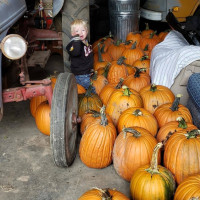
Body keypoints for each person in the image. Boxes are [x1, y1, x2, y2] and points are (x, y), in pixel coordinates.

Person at [66, 19, 95, 92]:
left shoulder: (87, 42)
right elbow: (76, 52)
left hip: (86, 73)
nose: (80, 33)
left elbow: (88, 57)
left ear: (87, 31)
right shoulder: (74, 45)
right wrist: (76, 40)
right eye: (77, 31)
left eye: (83, 30)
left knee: (84, 90)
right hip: (80, 75)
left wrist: (90, 69)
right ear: (72, 34)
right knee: (91, 92)